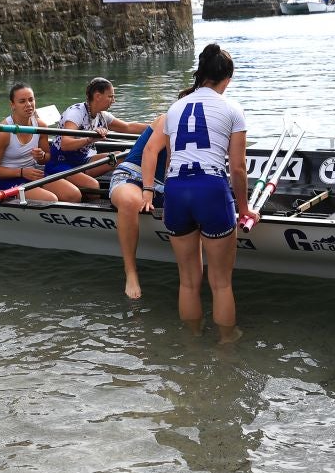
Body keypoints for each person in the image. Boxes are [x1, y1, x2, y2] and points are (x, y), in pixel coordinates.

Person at [140, 44, 257, 343]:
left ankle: (192, 340)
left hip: (177, 189)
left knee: (189, 282)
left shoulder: (175, 108)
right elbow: (239, 167)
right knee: (220, 284)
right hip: (210, 189)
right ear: (226, 78)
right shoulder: (232, 109)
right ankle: (226, 344)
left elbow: (169, 157)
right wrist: (244, 209)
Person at [46, 77, 148, 194]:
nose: (113, 100)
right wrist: (90, 139)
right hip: (60, 163)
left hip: (83, 160)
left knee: (120, 157)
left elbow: (127, 127)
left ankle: (129, 188)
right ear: (98, 96)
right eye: (110, 96)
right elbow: (65, 144)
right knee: (93, 186)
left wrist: (156, 126)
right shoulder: (75, 113)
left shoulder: (102, 115)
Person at [0, 83, 78, 202]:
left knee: (73, 194)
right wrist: (21, 172)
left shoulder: (41, 125)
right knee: (50, 199)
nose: (28, 104)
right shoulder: (3, 131)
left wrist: (42, 156)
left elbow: (46, 158)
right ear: (12, 105)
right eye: (22, 101)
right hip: (8, 179)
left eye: (31, 99)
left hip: (32, 173)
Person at [109, 113, 168, 300]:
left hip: (165, 184)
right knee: (129, 202)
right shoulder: (167, 118)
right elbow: (149, 151)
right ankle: (131, 272)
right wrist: (148, 190)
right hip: (132, 174)